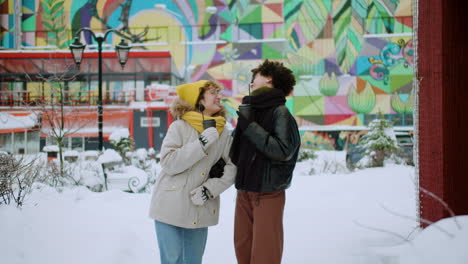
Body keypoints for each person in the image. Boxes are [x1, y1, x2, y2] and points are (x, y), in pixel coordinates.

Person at [148, 80, 236, 264]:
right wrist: (201, 143)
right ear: (198, 99)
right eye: (213, 92)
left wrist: (210, 189)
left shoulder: (224, 133)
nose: (218, 96)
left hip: (200, 207)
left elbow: (233, 167)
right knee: (173, 260)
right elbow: (168, 162)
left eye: (218, 92)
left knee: (193, 261)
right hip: (170, 206)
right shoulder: (179, 127)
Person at [230, 60, 301, 264]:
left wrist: (249, 126)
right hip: (244, 191)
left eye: (256, 77)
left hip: (268, 193)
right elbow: (237, 154)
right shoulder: (252, 109)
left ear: (269, 79)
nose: (251, 81)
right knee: (243, 252)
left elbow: (282, 150)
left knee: (265, 256)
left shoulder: (281, 113)